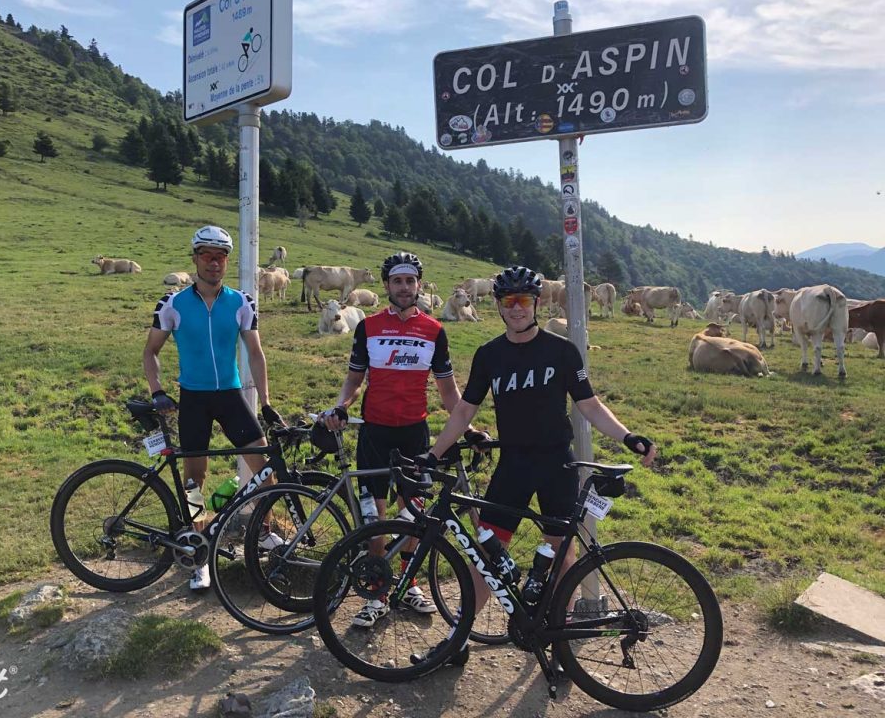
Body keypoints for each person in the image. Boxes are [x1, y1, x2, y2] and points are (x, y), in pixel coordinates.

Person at [413, 265, 657, 665]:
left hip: (556, 464)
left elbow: (590, 405)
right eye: (508, 302)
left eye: (524, 301)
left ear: (537, 303)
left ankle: (561, 646)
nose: (516, 309)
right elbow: (463, 411)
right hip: (512, 464)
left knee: (563, 554)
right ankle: (458, 639)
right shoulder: (488, 355)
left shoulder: (561, 351)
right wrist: (433, 453)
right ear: (497, 306)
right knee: (489, 555)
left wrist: (627, 436)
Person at [323, 251, 489, 627]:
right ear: (386, 286)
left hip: (415, 432)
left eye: (410, 280)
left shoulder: (433, 330)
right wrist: (341, 405)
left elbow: (448, 392)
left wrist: (468, 427)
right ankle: (377, 591)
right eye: (396, 281)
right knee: (375, 518)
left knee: (412, 513)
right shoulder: (368, 326)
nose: (403, 287)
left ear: (418, 285)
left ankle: (409, 583)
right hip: (374, 432)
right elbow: (354, 378)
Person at [143, 225, 285, 592]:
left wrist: (266, 403)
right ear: (195, 259)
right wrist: (157, 390)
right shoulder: (172, 304)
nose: (213, 262)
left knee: (264, 470)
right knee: (194, 481)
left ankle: (265, 533)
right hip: (193, 398)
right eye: (206, 255)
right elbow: (151, 352)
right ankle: (197, 551)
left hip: (230, 395)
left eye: (220, 256)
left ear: (227, 261)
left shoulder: (241, 302)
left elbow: (255, 353)